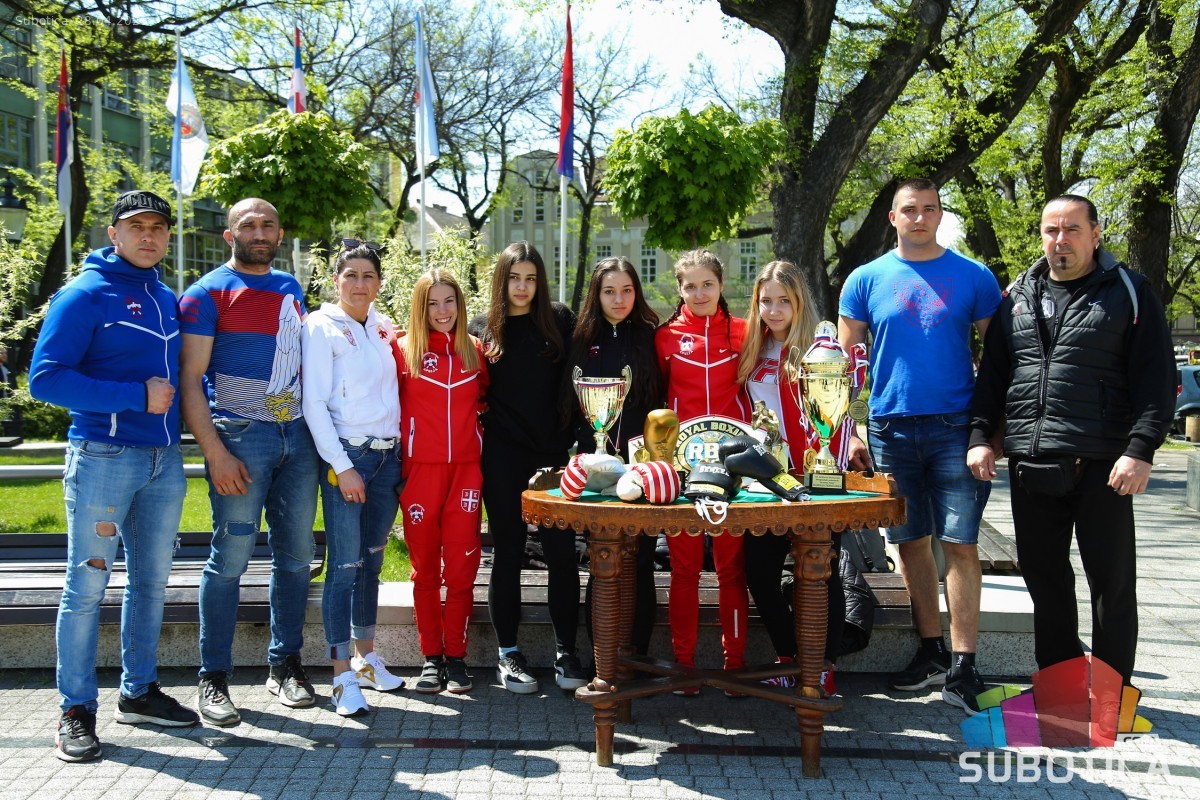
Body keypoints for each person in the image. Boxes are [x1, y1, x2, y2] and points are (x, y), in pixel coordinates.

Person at [968, 195, 1175, 687]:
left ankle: (1112, 692)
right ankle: (1061, 684)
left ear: (1095, 234)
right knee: (1045, 580)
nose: (1060, 240)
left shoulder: (1130, 292)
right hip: (1032, 461)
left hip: (1104, 462)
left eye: (1072, 230)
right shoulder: (1017, 296)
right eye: (1051, 230)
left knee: (1111, 583)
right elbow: (995, 376)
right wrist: (980, 436)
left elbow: (1156, 380)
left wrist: (1140, 450)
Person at [30, 190, 198, 762]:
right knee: (86, 587)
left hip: (162, 461)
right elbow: (45, 379)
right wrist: (134, 395)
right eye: (136, 226)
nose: (148, 235)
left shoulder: (166, 297)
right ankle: (75, 710)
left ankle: (139, 692)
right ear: (114, 234)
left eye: (158, 227)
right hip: (103, 457)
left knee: (151, 583)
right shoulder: (84, 294)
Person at [838, 177, 1001, 713]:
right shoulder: (864, 279)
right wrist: (852, 430)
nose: (919, 217)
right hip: (890, 427)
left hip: (957, 427)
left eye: (929, 209)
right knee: (909, 543)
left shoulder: (974, 276)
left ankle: (964, 665)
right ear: (893, 217)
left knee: (960, 544)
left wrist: (990, 432)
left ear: (939, 215)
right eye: (909, 209)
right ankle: (931, 650)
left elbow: (1000, 360)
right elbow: (843, 367)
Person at [179, 198, 320, 726]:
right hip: (240, 439)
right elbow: (190, 380)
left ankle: (285, 665)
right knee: (230, 560)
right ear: (230, 235)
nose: (259, 233)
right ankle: (213, 677)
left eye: (267, 225)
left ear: (280, 234)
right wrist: (215, 452)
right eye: (248, 225)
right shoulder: (205, 294)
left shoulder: (289, 287)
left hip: (297, 439)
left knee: (296, 557)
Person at [468, 241, 584, 694]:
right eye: (515, 278)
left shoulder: (559, 320)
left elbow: (574, 384)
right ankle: (508, 653)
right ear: (502, 280)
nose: (522, 287)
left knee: (561, 553)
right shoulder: (482, 330)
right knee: (509, 551)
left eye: (531, 278)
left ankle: (566, 652)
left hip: (552, 455)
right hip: (502, 456)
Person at [738, 260, 852, 697]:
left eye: (783, 300)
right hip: (765, 479)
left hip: (814, 475)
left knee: (821, 571)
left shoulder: (819, 351)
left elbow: (839, 414)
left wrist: (849, 446)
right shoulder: (752, 349)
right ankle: (789, 659)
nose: (773, 310)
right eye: (765, 301)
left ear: (800, 302)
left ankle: (823, 668)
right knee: (759, 571)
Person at [301, 240, 405, 717]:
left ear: (379, 283)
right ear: (335, 280)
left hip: (387, 459)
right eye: (351, 275)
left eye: (368, 275)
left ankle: (366, 659)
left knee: (371, 563)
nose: (360, 284)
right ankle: (341, 674)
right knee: (344, 566)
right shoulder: (320, 326)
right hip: (349, 458)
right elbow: (313, 402)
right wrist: (342, 466)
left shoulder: (383, 327)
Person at [654, 249, 750, 693]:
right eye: (689, 286)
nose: (699, 293)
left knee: (732, 570)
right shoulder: (665, 337)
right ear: (679, 290)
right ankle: (684, 666)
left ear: (721, 284)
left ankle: (735, 666)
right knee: (685, 569)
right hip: (682, 468)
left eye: (707, 284)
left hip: (734, 469)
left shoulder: (745, 332)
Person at [396, 269, 489, 695]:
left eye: (449, 300)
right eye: (432, 302)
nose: (442, 310)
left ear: (460, 304)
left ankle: (457, 657)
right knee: (425, 571)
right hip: (420, 474)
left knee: (462, 569)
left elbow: (486, 402)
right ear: (421, 307)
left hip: (467, 472)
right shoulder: (402, 351)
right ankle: (431, 658)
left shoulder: (475, 351)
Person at [566, 257, 664, 656]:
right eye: (609, 291)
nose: (619, 299)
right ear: (597, 294)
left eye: (626, 290)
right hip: (597, 468)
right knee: (603, 559)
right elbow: (568, 404)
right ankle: (602, 657)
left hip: (643, 468)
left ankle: (637, 653)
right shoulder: (579, 338)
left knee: (641, 561)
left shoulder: (650, 336)